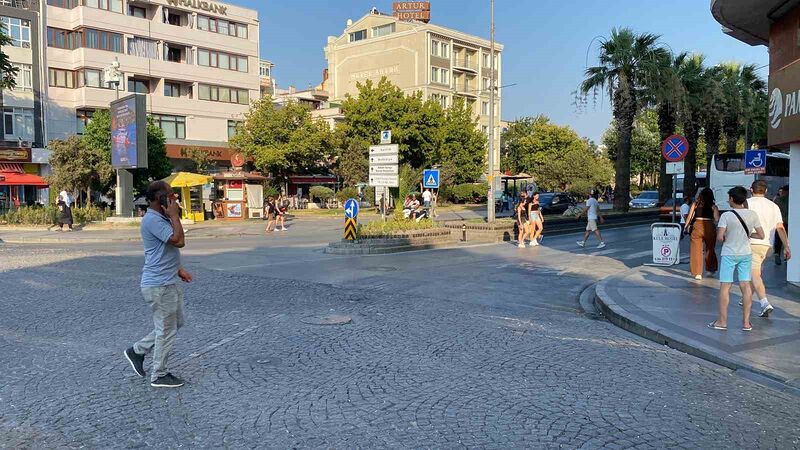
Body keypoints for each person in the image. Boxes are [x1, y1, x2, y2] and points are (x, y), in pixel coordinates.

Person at [124, 181, 192, 388]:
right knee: (166, 329)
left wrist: (179, 270)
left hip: (168, 280)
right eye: (170, 194)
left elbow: (164, 251)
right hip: (159, 285)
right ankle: (159, 374)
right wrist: (174, 215)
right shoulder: (153, 220)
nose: (174, 198)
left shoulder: (160, 217)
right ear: (158, 198)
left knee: (175, 324)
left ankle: (137, 351)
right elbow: (178, 241)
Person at [709, 186, 764, 332]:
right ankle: (746, 323)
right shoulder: (752, 214)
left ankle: (722, 321)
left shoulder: (726, 216)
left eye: (729, 198)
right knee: (745, 286)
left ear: (732, 199)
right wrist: (746, 235)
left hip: (729, 254)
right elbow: (761, 235)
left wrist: (729, 235)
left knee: (725, 287)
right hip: (745, 253)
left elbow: (720, 238)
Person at [746, 180, 791, 317]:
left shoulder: (747, 203)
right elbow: (780, 227)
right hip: (768, 246)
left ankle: (764, 302)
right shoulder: (773, 206)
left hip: (751, 242)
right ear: (765, 191)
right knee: (756, 273)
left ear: (751, 189)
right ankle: (746, 298)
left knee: (754, 274)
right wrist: (786, 246)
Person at [685, 187, 720, 280]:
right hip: (709, 226)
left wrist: (686, 226)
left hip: (697, 225)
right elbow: (716, 219)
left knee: (696, 250)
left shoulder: (695, 205)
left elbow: (689, 217)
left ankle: (697, 273)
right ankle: (710, 269)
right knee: (710, 248)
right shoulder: (713, 206)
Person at [774, 185, 789, 266]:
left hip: (779, 222)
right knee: (788, 240)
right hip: (789, 223)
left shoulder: (778, 200)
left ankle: (777, 254)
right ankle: (787, 256)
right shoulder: (792, 200)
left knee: (778, 240)